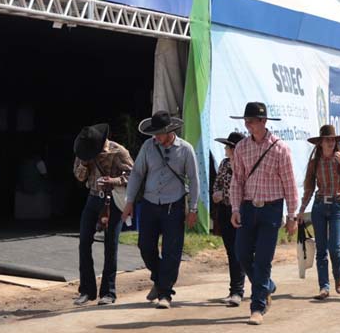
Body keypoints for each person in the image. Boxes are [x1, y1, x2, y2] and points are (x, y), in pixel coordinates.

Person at [229, 102, 299, 325]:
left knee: (263, 260)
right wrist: (235, 208)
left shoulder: (280, 148)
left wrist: (292, 216)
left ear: (263, 121)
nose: (247, 124)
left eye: (251, 121)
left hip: (271, 209)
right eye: (245, 121)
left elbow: (290, 185)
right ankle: (266, 285)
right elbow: (237, 181)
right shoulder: (241, 148)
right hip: (248, 208)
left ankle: (257, 307)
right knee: (241, 253)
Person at [122, 111, 200, 309]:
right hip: (150, 203)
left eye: (159, 133)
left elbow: (194, 179)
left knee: (171, 251)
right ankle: (159, 279)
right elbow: (137, 174)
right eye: (154, 133)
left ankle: (165, 293)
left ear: (169, 131)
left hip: (174, 205)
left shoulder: (185, 149)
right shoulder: (148, 147)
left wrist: (193, 208)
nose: (155, 136)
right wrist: (129, 201)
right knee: (145, 246)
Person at [73, 123, 134, 306]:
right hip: (93, 197)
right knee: (84, 242)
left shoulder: (118, 152)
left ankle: (108, 291)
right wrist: (85, 163)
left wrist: (114, 180)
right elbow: (79, 176)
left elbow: (133, 175)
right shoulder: (84, 151)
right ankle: (86, 290)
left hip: (111, 200)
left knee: (111, 245)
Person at [297, 124, 340, 300]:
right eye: (326, 140)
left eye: (332, 140)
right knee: (321, 248)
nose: (330, 143)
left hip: (337, 205)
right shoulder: (315, 163)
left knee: (334, 247)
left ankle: (338, 277)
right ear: (320, 143)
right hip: (320, 205)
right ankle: (324, 286)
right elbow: (309, 188)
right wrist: (301, 210)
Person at [213, 131, 246, 307]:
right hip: (225, 211)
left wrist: (224, 194)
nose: (225, 149)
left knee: (241, 251)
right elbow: (217, 184)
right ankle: (235, 290)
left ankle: (240, 290)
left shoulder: (246, 164)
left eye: (228, 146)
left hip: (242, 212)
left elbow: (245, 189)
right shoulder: (224, 164)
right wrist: (216, 194)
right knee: (231, 252)